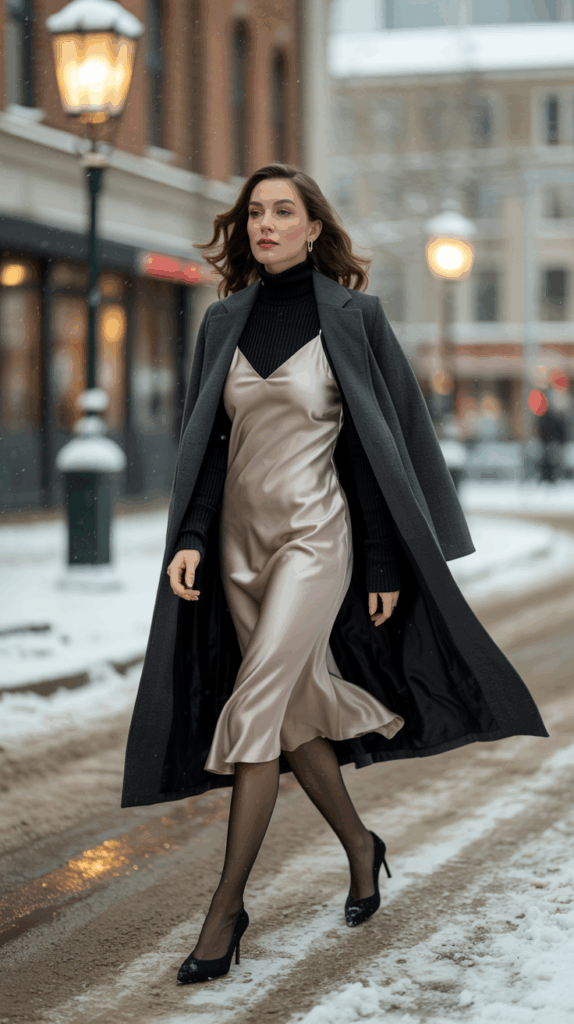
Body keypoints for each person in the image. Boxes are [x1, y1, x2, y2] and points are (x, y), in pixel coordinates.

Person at [121, 164, 548, 986]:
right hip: (239, 552)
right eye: (256, 213)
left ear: (315, 227)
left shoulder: (356, 317)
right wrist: (193, 538)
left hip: (318, 541)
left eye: (284, 211)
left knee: (254, 710)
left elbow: (375, 445)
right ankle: (361, 845)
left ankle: (224, 910)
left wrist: (385, 557)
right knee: (291, 714)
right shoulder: (222, 321)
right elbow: (208, 445)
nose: (266, 225)